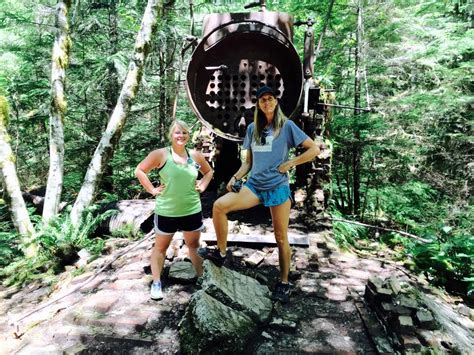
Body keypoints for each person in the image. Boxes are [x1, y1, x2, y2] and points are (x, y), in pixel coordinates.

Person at [199, 86, 320, 303]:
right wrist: (235, 178)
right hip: (254, 186)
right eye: (262, 99)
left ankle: (284, 283)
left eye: (270, 99)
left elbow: (314, 149)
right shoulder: (253, 129)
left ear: (276, 102)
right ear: (258, 104)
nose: (266, 102)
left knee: (281, 237)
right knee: (219, 206)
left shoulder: (287, 127)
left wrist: (291, 163)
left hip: (277, 187)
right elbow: (248, 162)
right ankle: (221, 253)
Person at [135, 120, 213, 300]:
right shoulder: (161, 155)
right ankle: (156, 283)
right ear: (171, 135)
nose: (181, 136)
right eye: (178, 132)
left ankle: (202, 280)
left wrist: (202, 185)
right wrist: (152, 190)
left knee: (193, 246)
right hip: (167, 212)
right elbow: (140, 170)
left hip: (191, 209)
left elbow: (209, 172)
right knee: (160, 248)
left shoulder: (195, 156)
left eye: (185, 132)